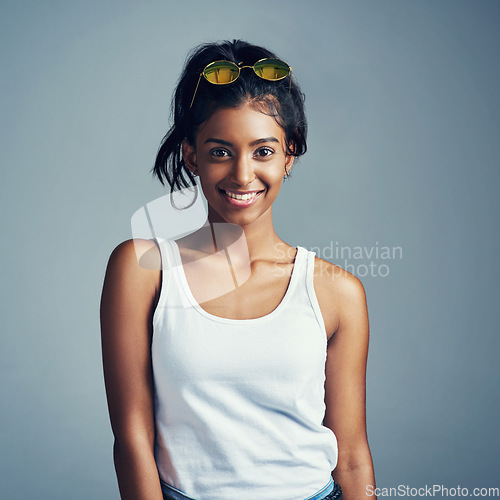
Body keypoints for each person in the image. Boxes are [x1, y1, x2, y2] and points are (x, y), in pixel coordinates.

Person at [100, 39, 376, 500]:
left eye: (263, 152)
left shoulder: (337, 292)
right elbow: (132, 440)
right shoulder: (142, 270)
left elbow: (350, 454)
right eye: (221, 151)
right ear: (192, 155)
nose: (243, 175)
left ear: (290, 155)